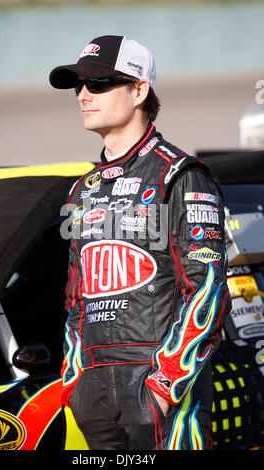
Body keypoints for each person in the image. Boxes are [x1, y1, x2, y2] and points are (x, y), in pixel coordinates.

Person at [49, 35, 231, 450]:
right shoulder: (83, 189)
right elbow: (76, 298)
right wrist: (74, 380)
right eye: (79, 85)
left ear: (138, 90)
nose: (82, 95)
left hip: (157, 393)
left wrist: (165, 388)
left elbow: (207, 290)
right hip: (94, 397)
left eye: (98, 84)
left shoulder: (180, 175)